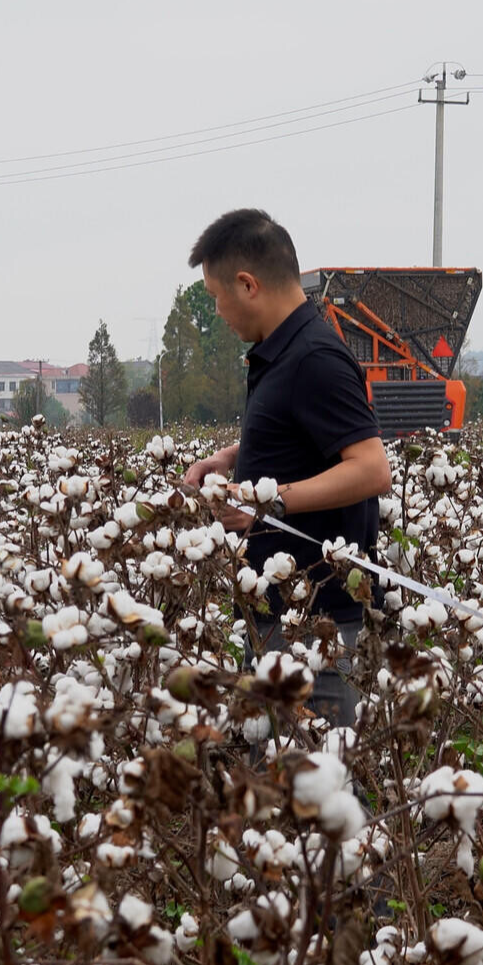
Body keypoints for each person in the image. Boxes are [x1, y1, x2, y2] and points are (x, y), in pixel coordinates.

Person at [180, 209, 392, 728]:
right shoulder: (283, 353)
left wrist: (267, 502)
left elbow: (371, 469)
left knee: (312, 769)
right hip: (282, 615)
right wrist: (232, 457)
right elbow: (306, 437)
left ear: (247, 284)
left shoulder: (314, 358)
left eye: (216, 296)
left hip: (316, 627)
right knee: (277, 766)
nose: (217, 311)